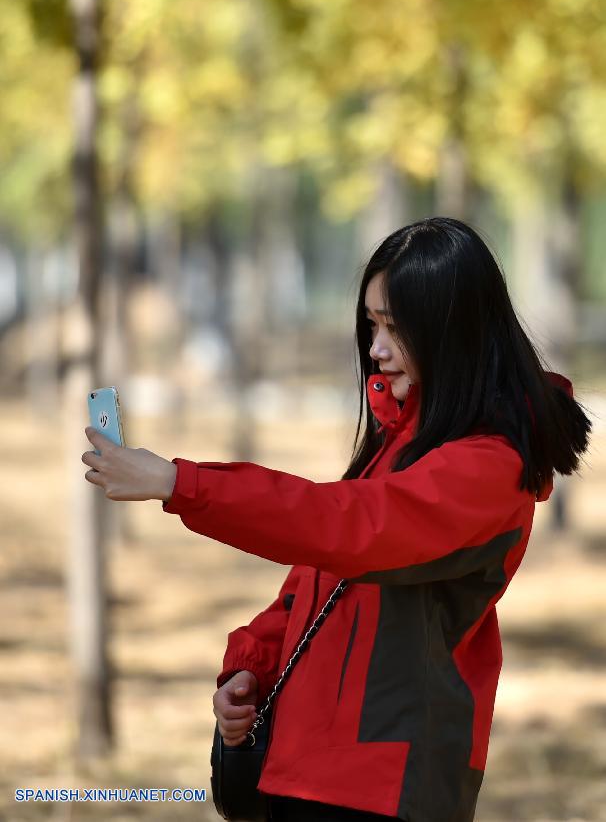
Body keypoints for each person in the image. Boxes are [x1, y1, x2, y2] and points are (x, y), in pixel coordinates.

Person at [82, 217, 592, 822]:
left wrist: (179, 483)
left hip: (382, 785)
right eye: (372, 324)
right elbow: (315, 582)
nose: (375, 348)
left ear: (452, 331)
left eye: (396, 329)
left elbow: (342, 527)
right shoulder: (404, 441)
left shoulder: (489, 466)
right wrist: (251, 666)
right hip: (304, 772)